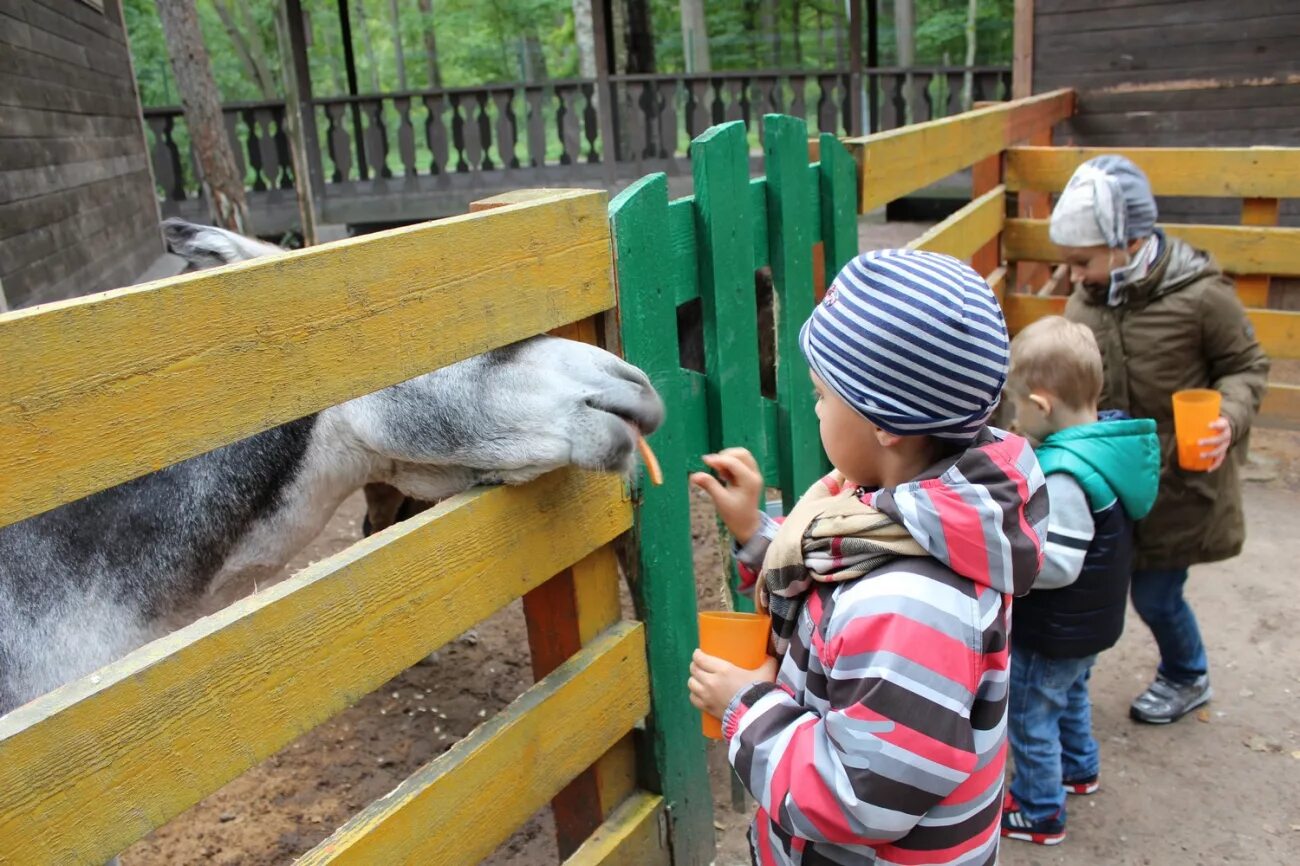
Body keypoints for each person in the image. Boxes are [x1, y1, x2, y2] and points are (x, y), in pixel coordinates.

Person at [686, 249, 1048, 866]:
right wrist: (755, 530)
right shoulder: (911, 514)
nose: (816, 408)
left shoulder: (913, 606)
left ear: (887, 426)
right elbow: (840, 570)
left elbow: (863, 799)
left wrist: (747, 711)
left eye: (823, 394)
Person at [1050, 156, 1270, 724]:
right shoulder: (1086, 302)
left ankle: (1186, 673)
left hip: (1180, 482)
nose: (1074, 275)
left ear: (1129, 242)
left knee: (1155, 595)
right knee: (1094, 587)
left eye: (1083, 261)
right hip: (1115, 482)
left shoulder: (1201, 298)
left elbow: (1246, 366)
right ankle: (1074, 679)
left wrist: (1230, 416)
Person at [998, 316, 1160, 845]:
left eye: (1017, 408)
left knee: (1029, 714)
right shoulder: (1103, 449)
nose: (1015, 420)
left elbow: (1060, 566)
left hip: (1055, 629)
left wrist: (1007, 562)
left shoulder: (1066, 474)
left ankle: (1040, 809)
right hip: (1090, 622)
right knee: (1067, 696)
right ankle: (1078, 769)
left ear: (1041, 405)